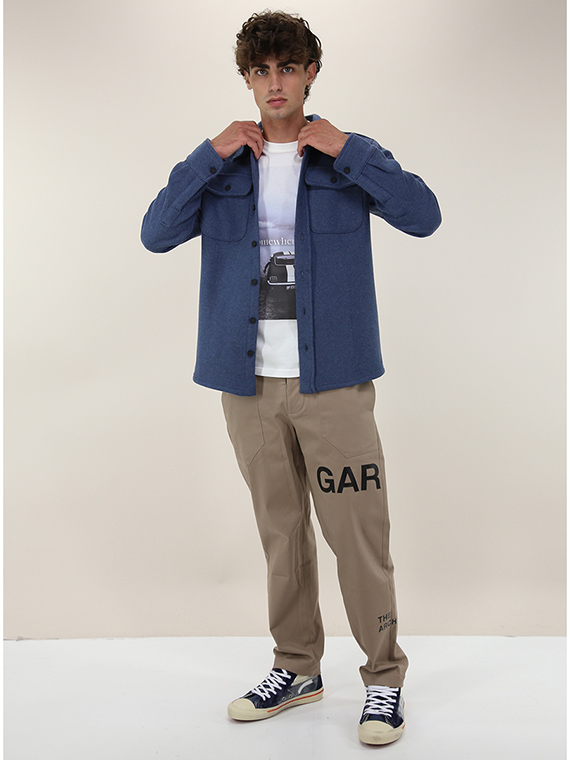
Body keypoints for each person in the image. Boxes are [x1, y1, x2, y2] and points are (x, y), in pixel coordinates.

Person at [141, 10, 441, 745]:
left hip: (332, 382)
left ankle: (383, 678)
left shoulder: (346, 157)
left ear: (310, 73)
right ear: (247, 79)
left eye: (287, 68)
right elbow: (155, 233)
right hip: (246, 384)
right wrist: (205, 155)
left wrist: (352, 151)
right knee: (281, 536)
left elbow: (423, 215)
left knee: (357, 536)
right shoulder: (224, 166)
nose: (274, 82)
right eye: (261, 70)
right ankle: (297, 667)